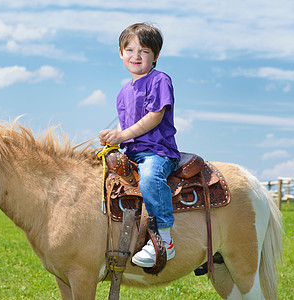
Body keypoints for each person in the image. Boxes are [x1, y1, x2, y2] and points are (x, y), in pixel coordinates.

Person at [99, 23, 181, 268]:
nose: (136, 56)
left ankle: (164, 238)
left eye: (144, 51)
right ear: (121, 53)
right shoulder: (123, 92)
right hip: (132, 153)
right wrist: (111, 139)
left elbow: (155, 116)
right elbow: (125, 132)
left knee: (149, 180)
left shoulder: (159, 80)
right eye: (130, 49)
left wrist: (122, 135)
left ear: (155, 56)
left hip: (158, 151)